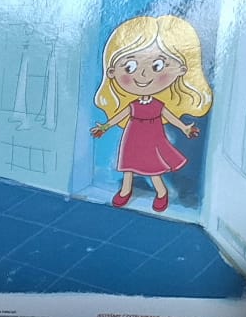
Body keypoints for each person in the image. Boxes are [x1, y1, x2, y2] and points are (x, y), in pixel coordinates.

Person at [89, 15, 213, 213]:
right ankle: (126, 190)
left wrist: (184, 127)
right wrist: (105, 127)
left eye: (157, 66)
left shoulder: (158, 104)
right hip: (132, 137)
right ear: (112, 71)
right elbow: (121, 115)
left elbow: (170, 117)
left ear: (181, 70)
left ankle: (161, 192)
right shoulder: (133, 104)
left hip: (153, 139)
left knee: (153, 168)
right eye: (130, 66)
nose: (143, 75)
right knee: (128, 165)